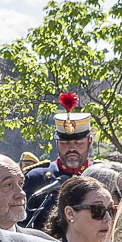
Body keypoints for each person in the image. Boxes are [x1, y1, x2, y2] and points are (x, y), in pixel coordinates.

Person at [24, 95, 95, 229]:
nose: (72, 148)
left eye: (78, 143)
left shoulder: (101, 176)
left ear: (89, 142)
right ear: (56, 143)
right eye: (64, 143)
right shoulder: (37, 178)